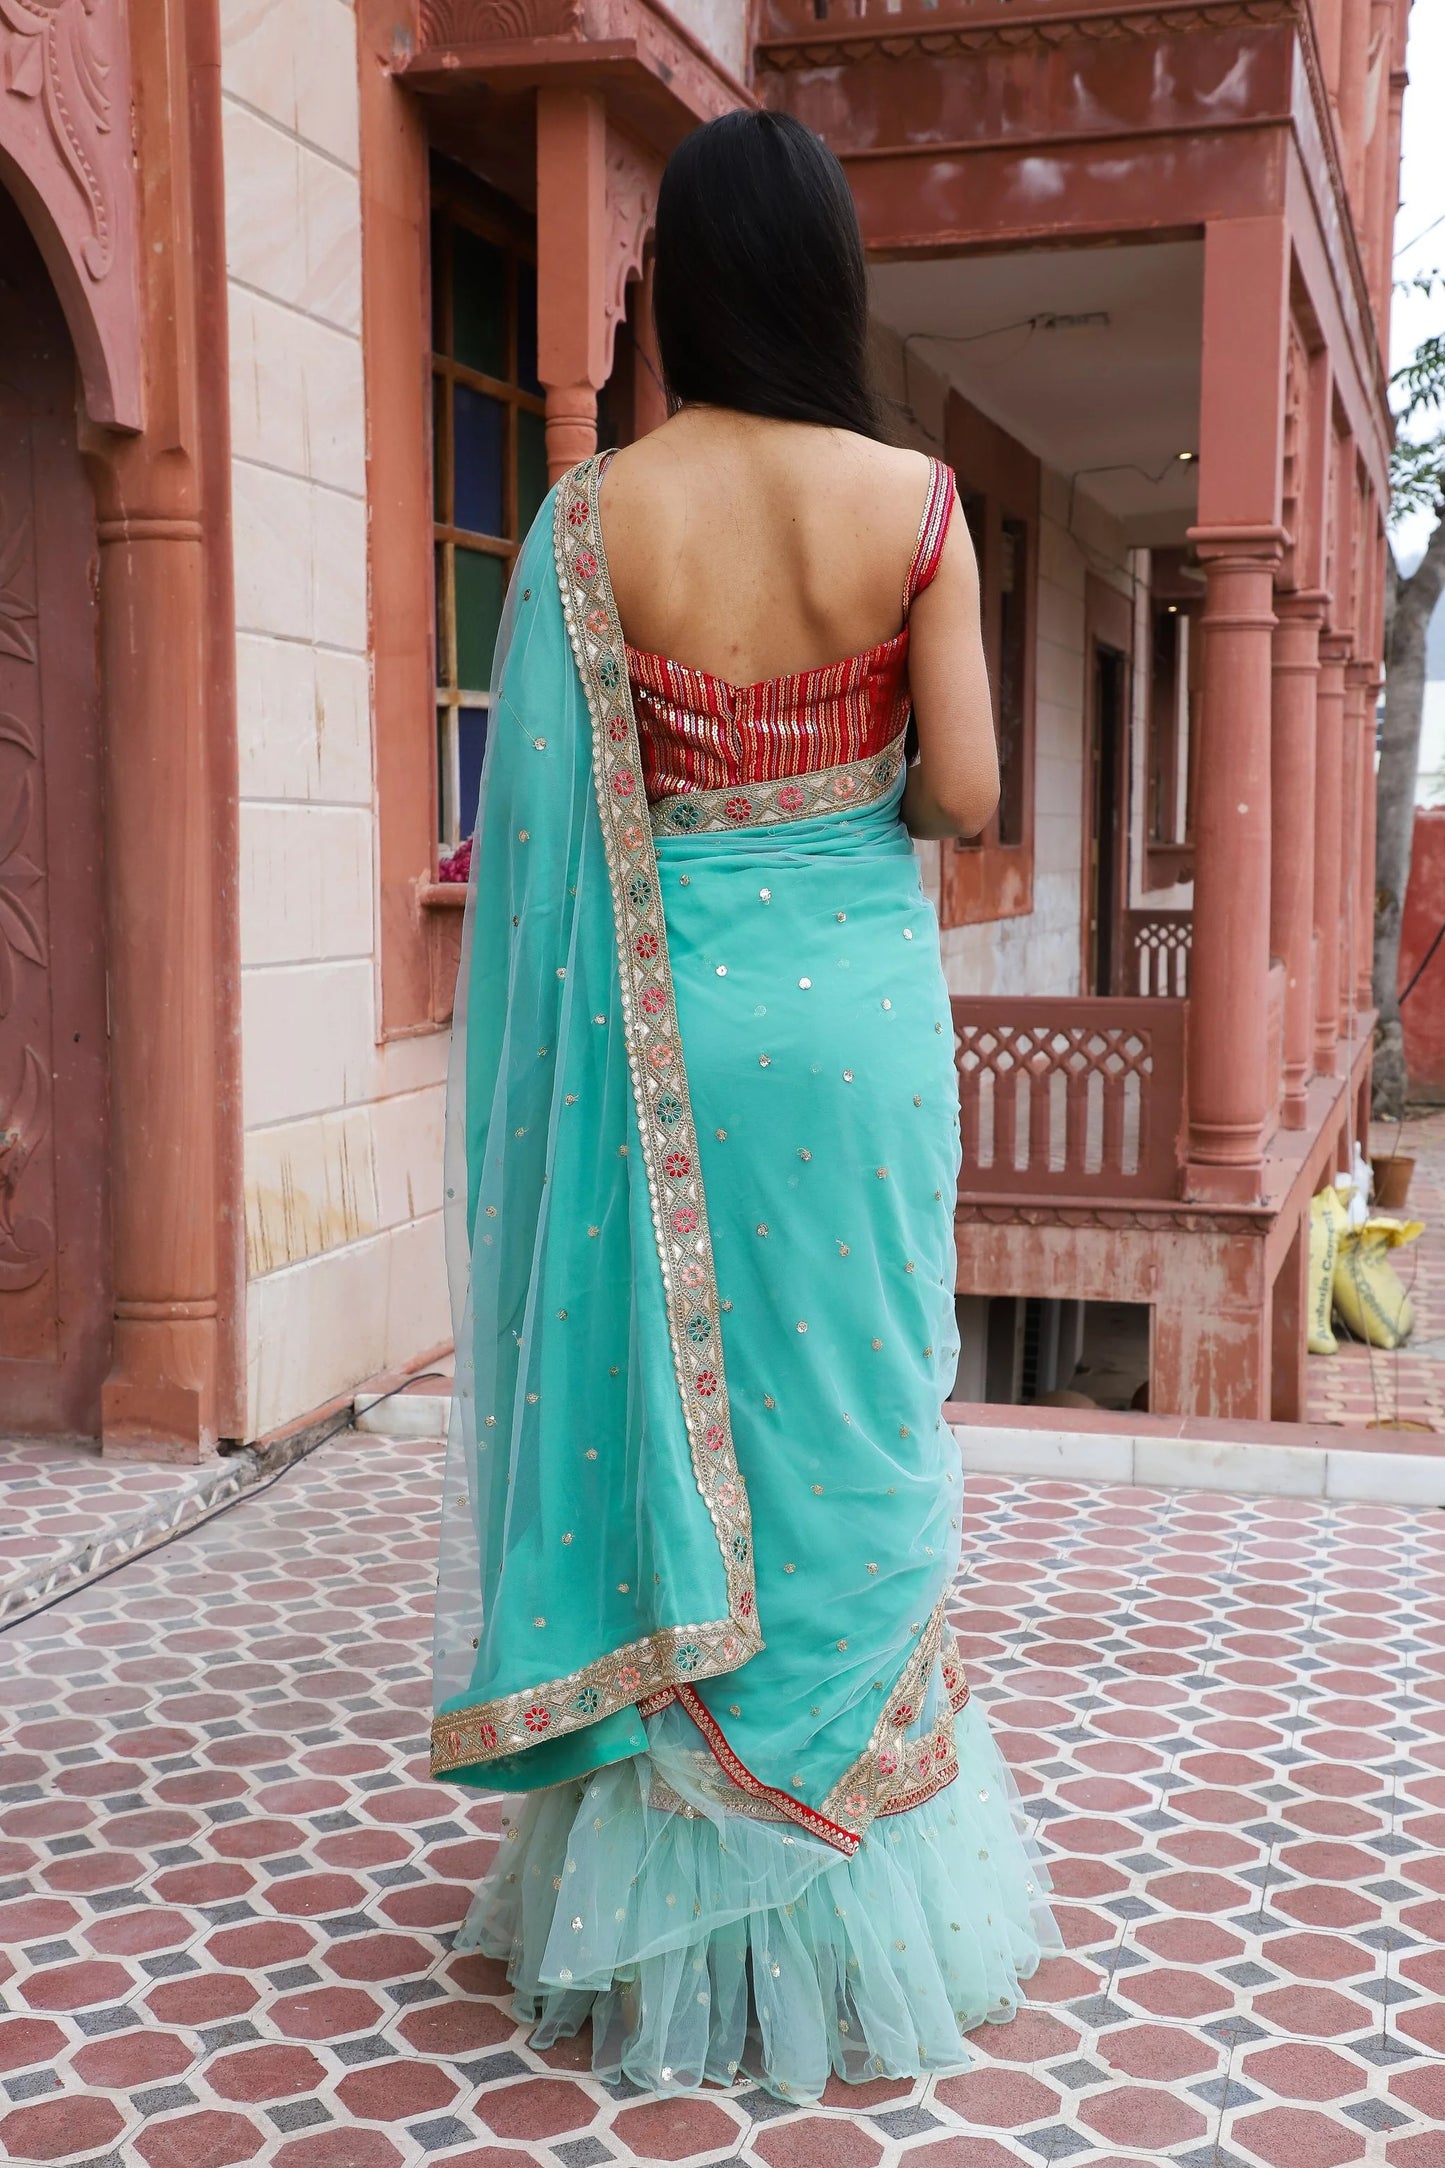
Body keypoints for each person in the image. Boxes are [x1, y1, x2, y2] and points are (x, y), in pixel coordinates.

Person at [431, 107, 1059, 2103]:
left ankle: (665, 1884)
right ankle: (859, 1890)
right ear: (832, 283)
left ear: (685, 292)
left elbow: (540, 834)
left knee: (682, 1425)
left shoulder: (594, 520)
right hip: (856, 1029)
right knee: (857, 1418)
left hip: (668, 1031)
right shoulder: (921, 504)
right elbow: (960, 794)